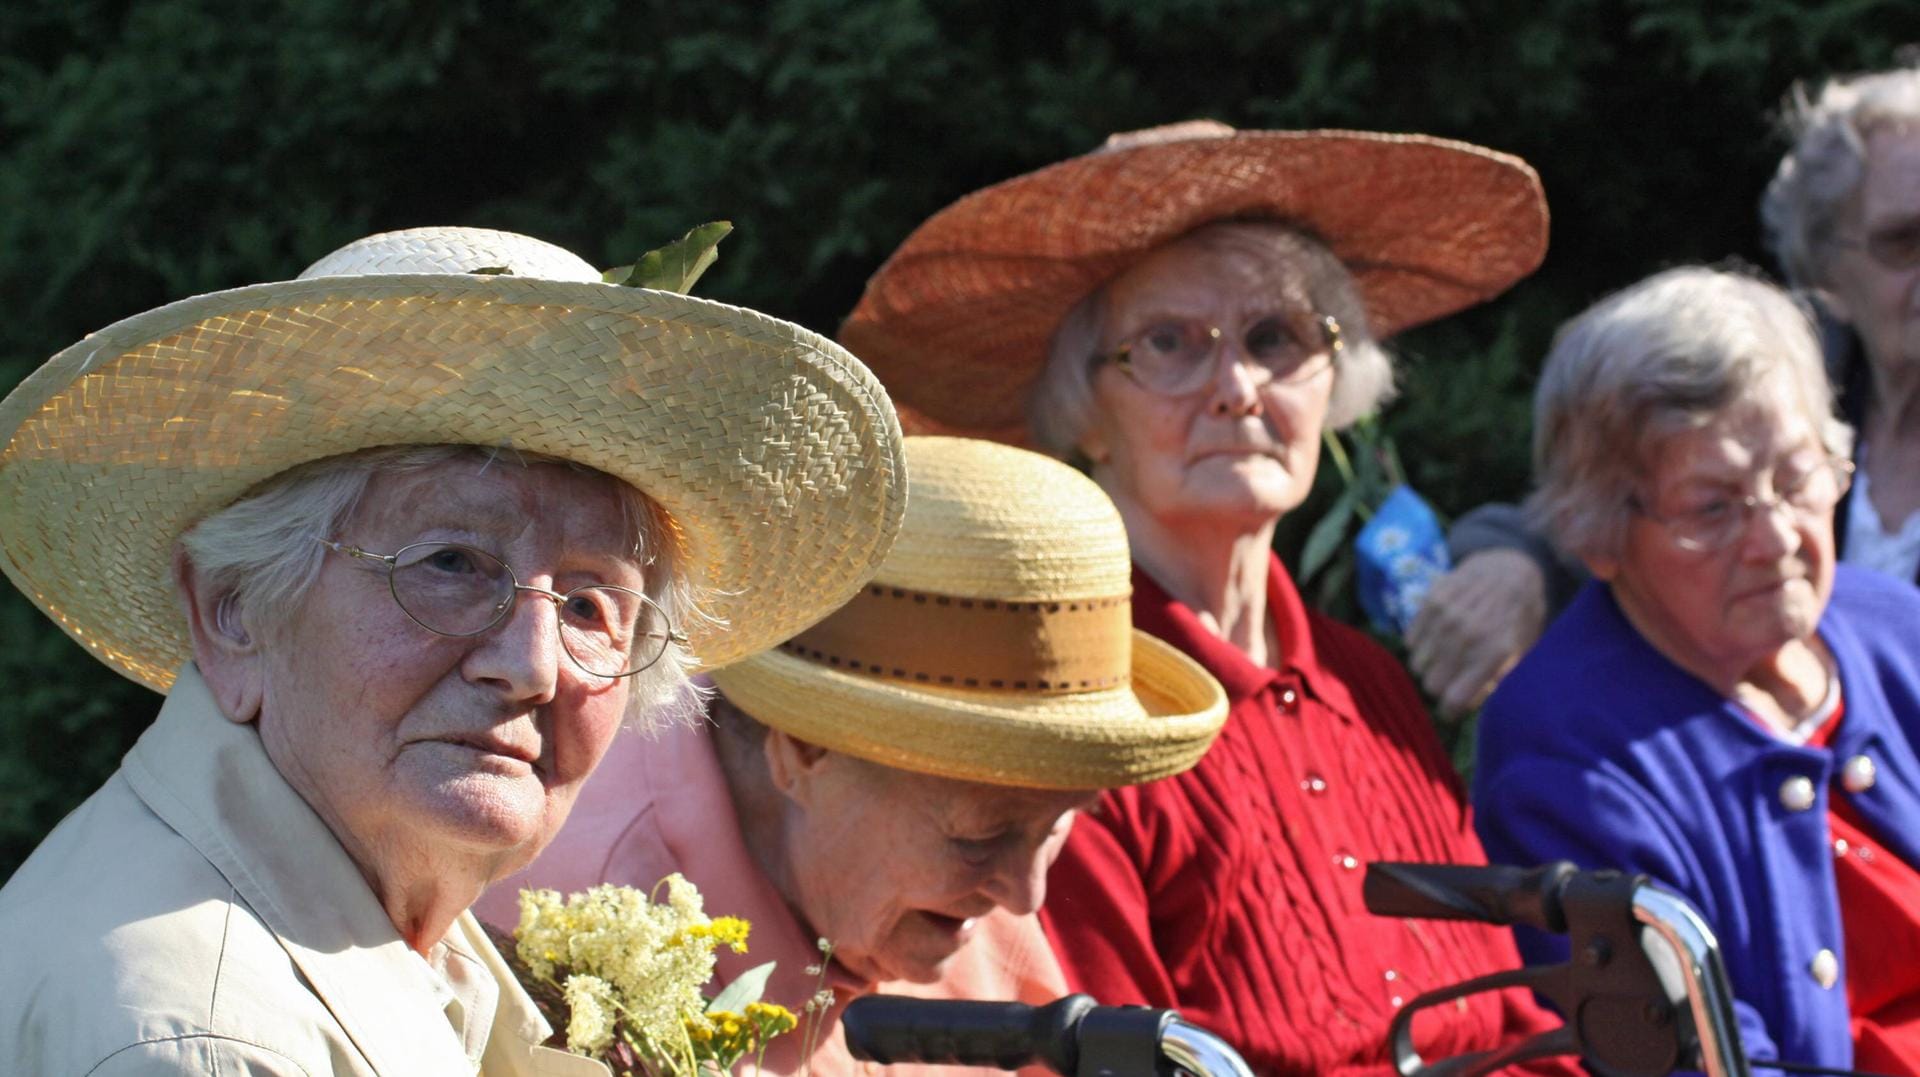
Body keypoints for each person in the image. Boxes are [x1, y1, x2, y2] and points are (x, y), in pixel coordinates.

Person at [0, 226, 907, 1075]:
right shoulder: (212, 1038)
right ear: (235, 611)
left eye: (591, 604)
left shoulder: (379, 936)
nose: (532, 663)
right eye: (450, 564)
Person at [841, 122, 1579, 1076]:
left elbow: (1522, 1023)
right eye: (1169, 344)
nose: (1235, 387)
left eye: (1274, 337)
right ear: (1086, 416)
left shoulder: (1373, 687)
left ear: (1335, 384)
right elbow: (1120, 1057)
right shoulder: (1075, 713)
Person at [479, 435, 1229, 1076]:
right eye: (979, 835)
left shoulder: (944, 876)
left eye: (1061, 825)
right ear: (805, 746)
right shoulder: (580, 940)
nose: (1026, 894)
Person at [1474, 266, 1920, 1077]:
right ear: (1600, 534)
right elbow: (1698, 1063)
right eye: (1713, 507)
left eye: (1796, 478)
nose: (1776, 537)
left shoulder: (1897, 631)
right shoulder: (1568, 757)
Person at [1410, 61, 1920, 717]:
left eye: (1794, 483)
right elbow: (1610, 507)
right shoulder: (1788, 381)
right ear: (1829, 270)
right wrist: (1521, 565)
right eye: (1904, 241)